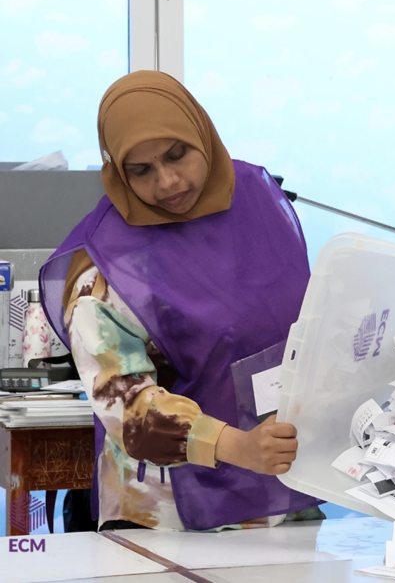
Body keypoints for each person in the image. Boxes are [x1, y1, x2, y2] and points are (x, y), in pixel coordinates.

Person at [39, 71, 324, 531]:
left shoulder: (253, 201)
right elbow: (128, 406)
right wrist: (240, 447)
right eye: (141, 170)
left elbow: (303, 324)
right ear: (117, 171)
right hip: (168, 514)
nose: (169, 181)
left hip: (280, 492)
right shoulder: (103, 270)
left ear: (202, 135)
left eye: (177, 154)